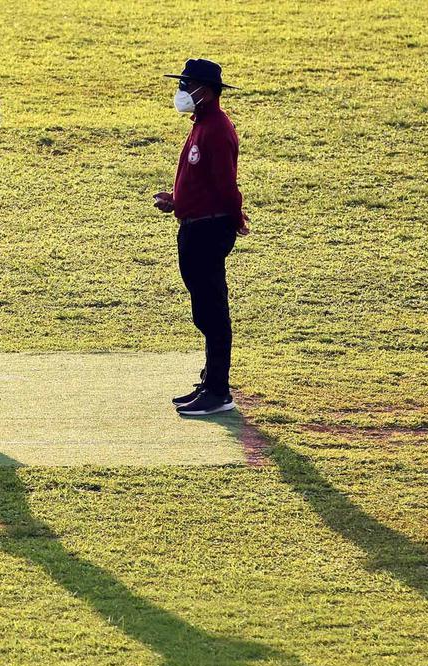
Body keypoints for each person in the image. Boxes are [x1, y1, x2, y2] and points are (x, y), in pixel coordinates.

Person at [153, 58, 249, 416]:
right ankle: (210, 381)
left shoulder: (217, 130)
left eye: (187, 84)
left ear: (206, 91)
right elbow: (204, 182)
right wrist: (177, 201)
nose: (181, 91)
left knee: (212, 311)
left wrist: (236, 218)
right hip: (195, 224)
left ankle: (218, 391)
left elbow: (226, 186)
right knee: (204, 309)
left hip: (209, 229)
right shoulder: (202, 125)